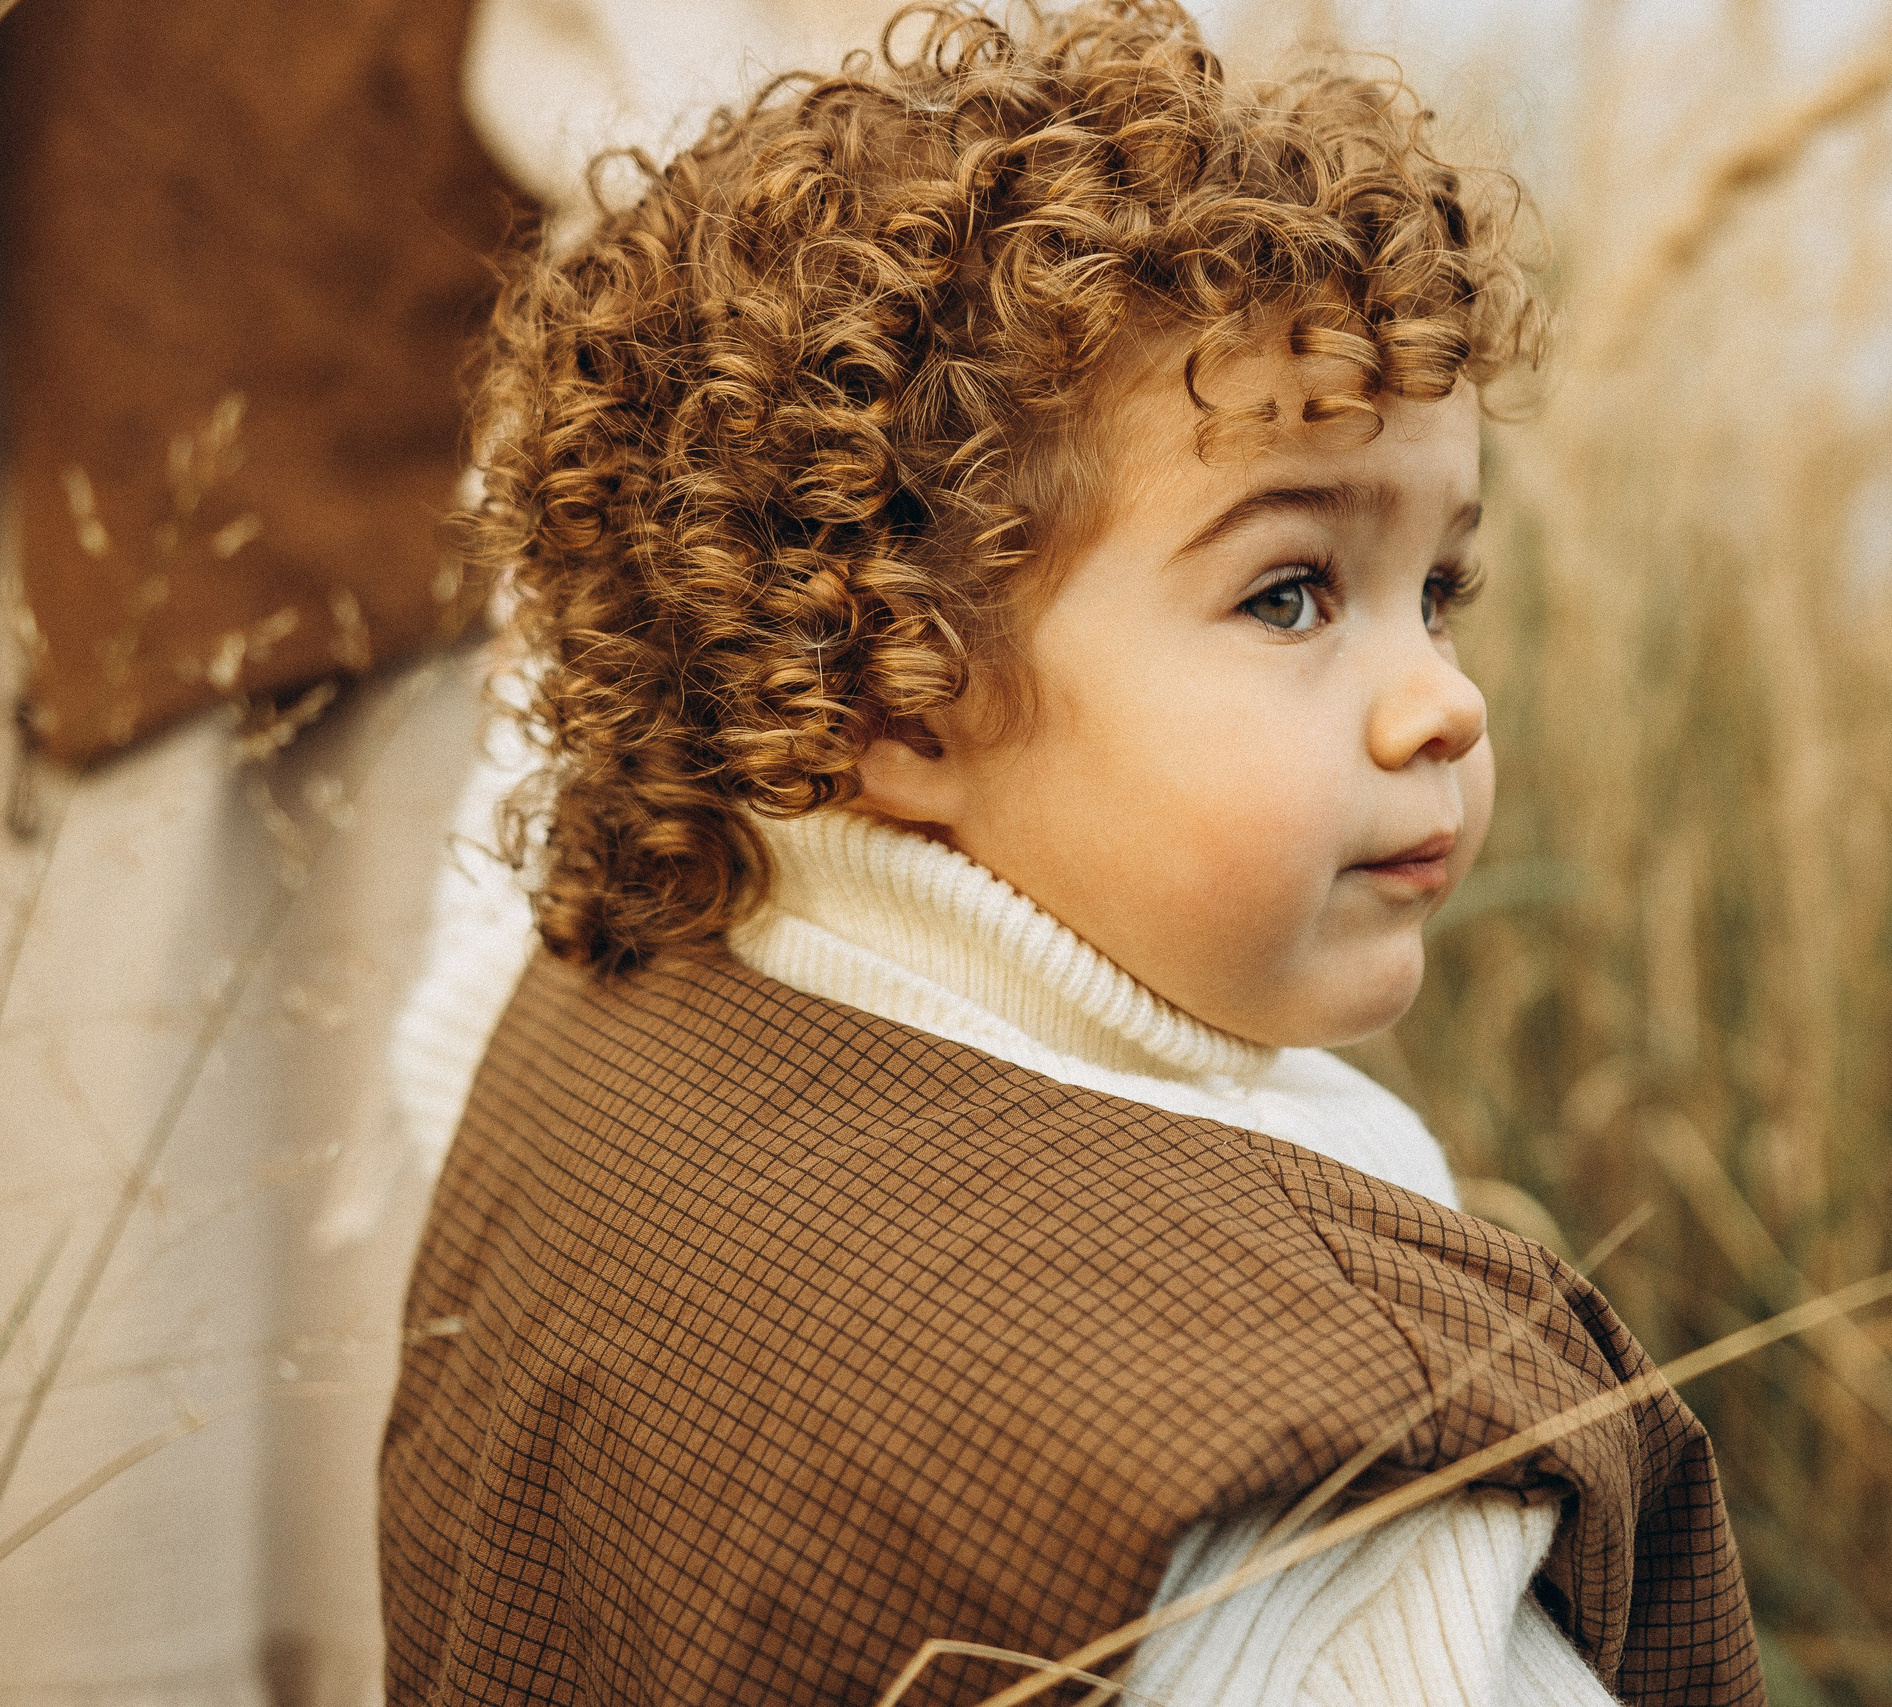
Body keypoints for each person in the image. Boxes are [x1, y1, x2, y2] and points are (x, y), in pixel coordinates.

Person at [377, 5, 1765, 1702]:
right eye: (1291, 595)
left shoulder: (593, 1000)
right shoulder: (1323, 1523)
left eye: (1439, 590)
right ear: (897, 690)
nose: (1443, 705)